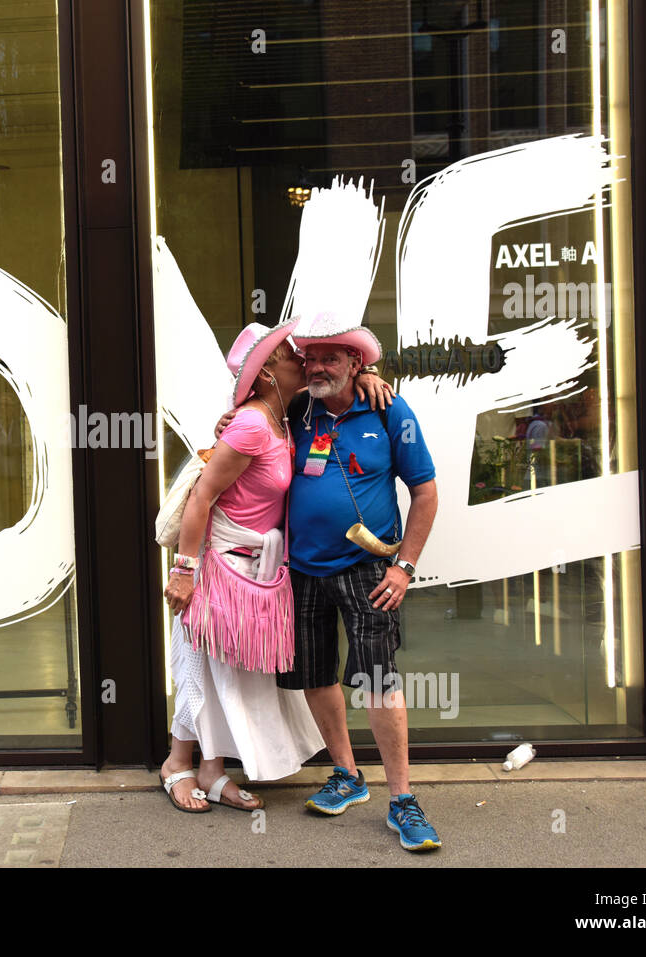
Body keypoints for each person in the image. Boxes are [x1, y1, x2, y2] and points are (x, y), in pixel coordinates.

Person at [160, 319, 392, 813]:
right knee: (200, 664)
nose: (301, 360)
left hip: (255, 570)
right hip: (220, 564)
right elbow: (202, 496)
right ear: (267, 371)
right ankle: (176, 765)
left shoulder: (286, 416)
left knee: (229, 675)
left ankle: (211, 769)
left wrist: (367, 372)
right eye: (291, 355)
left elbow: (342, 382)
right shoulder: (249, 422)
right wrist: (183, 569)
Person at [277, 310, 442, 851]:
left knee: (378, 679)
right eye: (312, 358)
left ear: (356, 362)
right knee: (316, 675)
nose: (318, 366)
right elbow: (251, 407)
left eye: (332, 357)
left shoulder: (388, 409)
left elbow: (425, 493)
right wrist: (226, 422)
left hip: (370, 569)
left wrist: (405, 566)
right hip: (302, 569)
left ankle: (402, 800)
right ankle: (347, 775)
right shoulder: (297, 409)